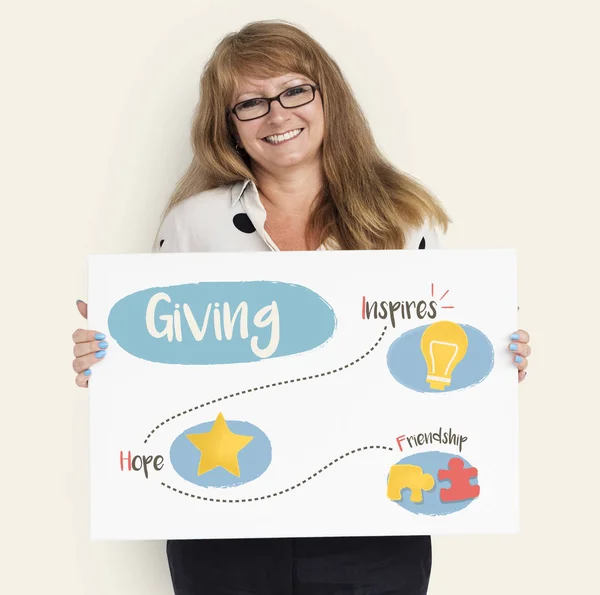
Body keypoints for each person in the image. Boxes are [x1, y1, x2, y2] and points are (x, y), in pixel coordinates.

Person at [71, 19, 531, 595]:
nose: (278, 115)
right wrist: (110, 360)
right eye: (251, 103)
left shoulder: (402, 219)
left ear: (326, 97)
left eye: (294, 91)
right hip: (225, 530)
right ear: (229, 126)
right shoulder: (195, 224)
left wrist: (494, 356)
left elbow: (438, 348)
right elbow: (160, 373)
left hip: (374, 525)